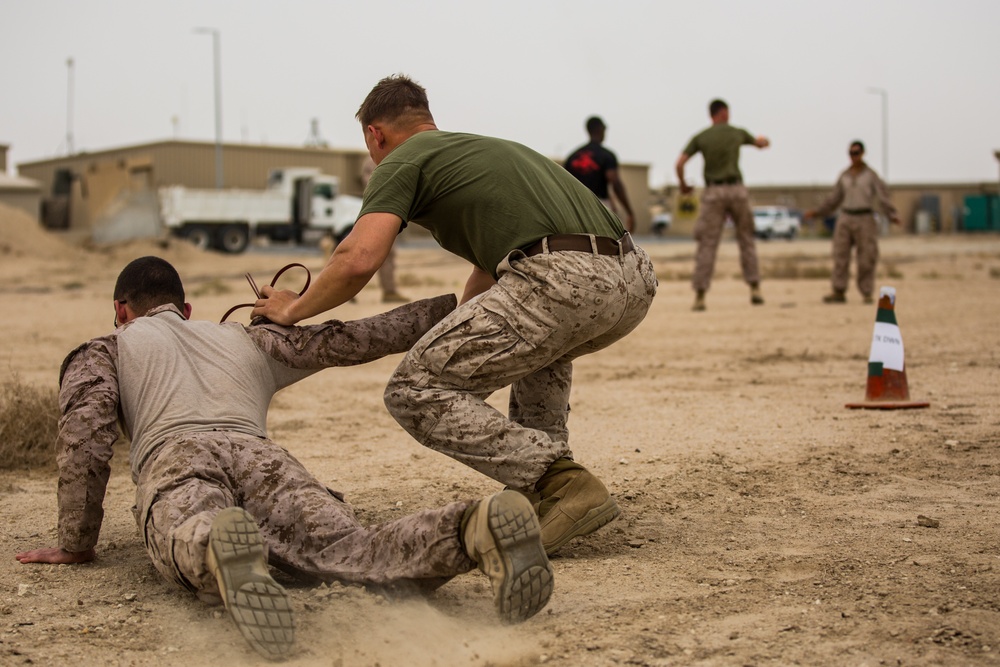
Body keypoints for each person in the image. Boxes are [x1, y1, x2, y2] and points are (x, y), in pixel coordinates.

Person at [15, 256, 553, 661]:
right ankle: (470, 527)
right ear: (187, 310)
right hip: (260, 455)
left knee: (181, 527)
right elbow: (356, 339)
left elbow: (85, 439)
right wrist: (451, 309)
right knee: (352, 548)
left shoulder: (105, 349)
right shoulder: (246, 338)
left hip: (174, 453)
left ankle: (216, 544)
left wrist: (76, 542)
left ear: (120, 311)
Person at [251, 74, 657, 557]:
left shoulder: (401, 159)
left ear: (374, 135)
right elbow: (491, 275)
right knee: (535, 348)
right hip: (632, 278)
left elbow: (358, 257)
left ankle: (565, 484)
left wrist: (292, 308)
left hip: (561, 278)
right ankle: (542, 491)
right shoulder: (480, 150)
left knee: (414, 391)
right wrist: (460, 336)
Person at [675, 99, 770, 311]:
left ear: (711, 114)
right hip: (737, 189)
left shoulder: (702, 137)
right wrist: (764, 141)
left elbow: (680, 163)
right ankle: (755, 288)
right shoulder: (737, 132)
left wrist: (683, 185)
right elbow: (760, 144)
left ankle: (700, 295)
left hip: (713, 192)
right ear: (724, 113)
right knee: (746, 239)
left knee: (707, 243)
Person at [803, 141, 901, 304]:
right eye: (850, 153)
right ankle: (838, 291)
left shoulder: (870, 175)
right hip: (845, 217)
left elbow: (883, 197)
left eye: (856, 153)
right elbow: (834, 199)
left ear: (862, 154)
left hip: (865, 218)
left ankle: (867, 292)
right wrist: (817, 212)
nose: (853, 156)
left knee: (866, 257)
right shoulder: (844, 176)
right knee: (840, 255)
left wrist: (892, 214)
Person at [564, 116, 636, 232]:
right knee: (606, 245)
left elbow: (565, 185)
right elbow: (615, 183)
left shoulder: (572, 157)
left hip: (575, 209)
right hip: (599, 207)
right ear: (600, 129)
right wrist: (629, 212)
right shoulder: (606, 155)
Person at [361, 156, 409, 303]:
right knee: (364, 256)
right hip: (380, 214)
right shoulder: (374, 162)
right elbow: (374, 186)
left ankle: (389, 291)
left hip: (388, 214)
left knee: (387, 255)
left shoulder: (390, 158)